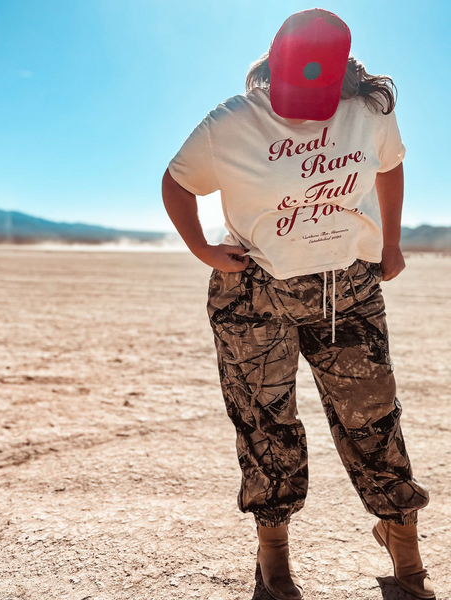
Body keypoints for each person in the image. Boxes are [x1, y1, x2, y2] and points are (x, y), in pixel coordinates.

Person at [161, 8, 434, 600]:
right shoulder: (233, 120)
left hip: (348, 291)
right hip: (254, 294)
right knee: (264, 423)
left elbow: (391, 165)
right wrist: (203, 249)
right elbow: (177, 182)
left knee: (373, 417)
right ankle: (274, 557)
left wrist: (391, 241)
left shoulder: (366, 113)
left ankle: (404, 546)